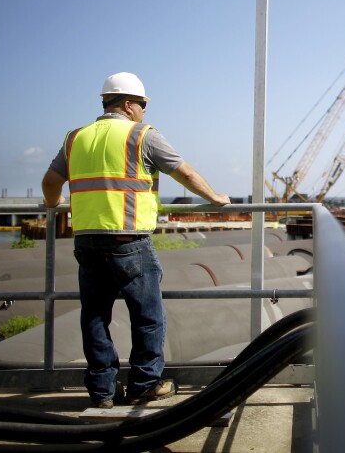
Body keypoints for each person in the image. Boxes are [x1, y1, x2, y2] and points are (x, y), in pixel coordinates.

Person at [41, 72, 230, 409]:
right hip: (129, 242)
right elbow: (184, 173)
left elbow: (50, 181)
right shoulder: (142, 135)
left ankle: (102, 392)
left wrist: (54, 205)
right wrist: (215, 197)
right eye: (143, 105)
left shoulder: (75, 138)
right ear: (128, 105)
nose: (145, 111)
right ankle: (143, 384)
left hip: (86, 241)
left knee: (95, 317)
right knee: (148, 316)